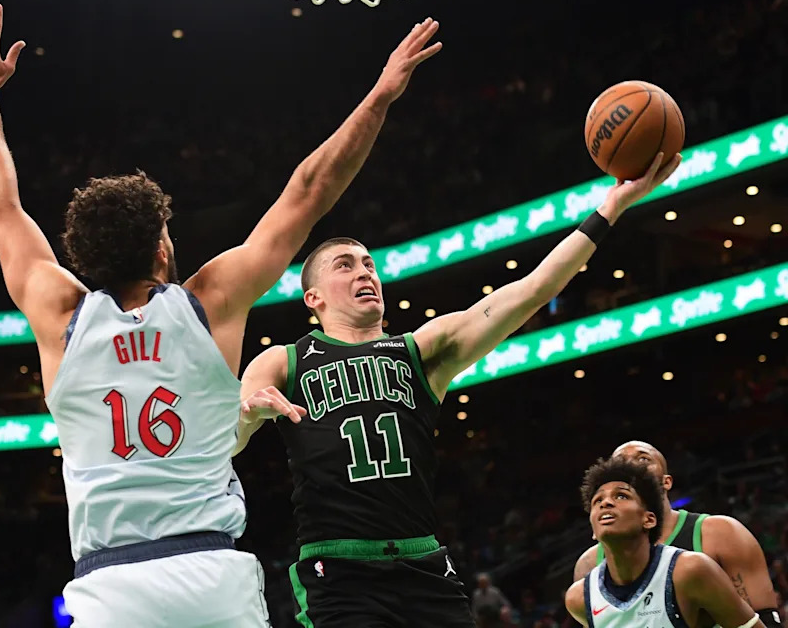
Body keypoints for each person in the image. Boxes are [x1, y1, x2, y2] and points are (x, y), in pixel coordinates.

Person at [0, 0, 442, 627]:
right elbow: (310, 190)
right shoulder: (208, 305)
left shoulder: (59, 316)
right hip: (211, 574)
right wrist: (380, 97)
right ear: (162, 248)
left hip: (111, 586)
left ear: (88, 257)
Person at [236, 129, 681, 624]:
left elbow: (532, 290)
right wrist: (249, 415)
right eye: (346, 266)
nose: (365, 273)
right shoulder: (285, 361)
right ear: (314, 298)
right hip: (337, 567)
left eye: (369, 264)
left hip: (422, 561)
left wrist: (611, 208)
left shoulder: (421, 351)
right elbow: (228, 442)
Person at [573, 441, 781, 628]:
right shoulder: (589, 567)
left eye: (643, 459)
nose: (631, 465)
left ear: (667, 482)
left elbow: (765, 619)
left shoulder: (720, 533)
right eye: (621, 462)